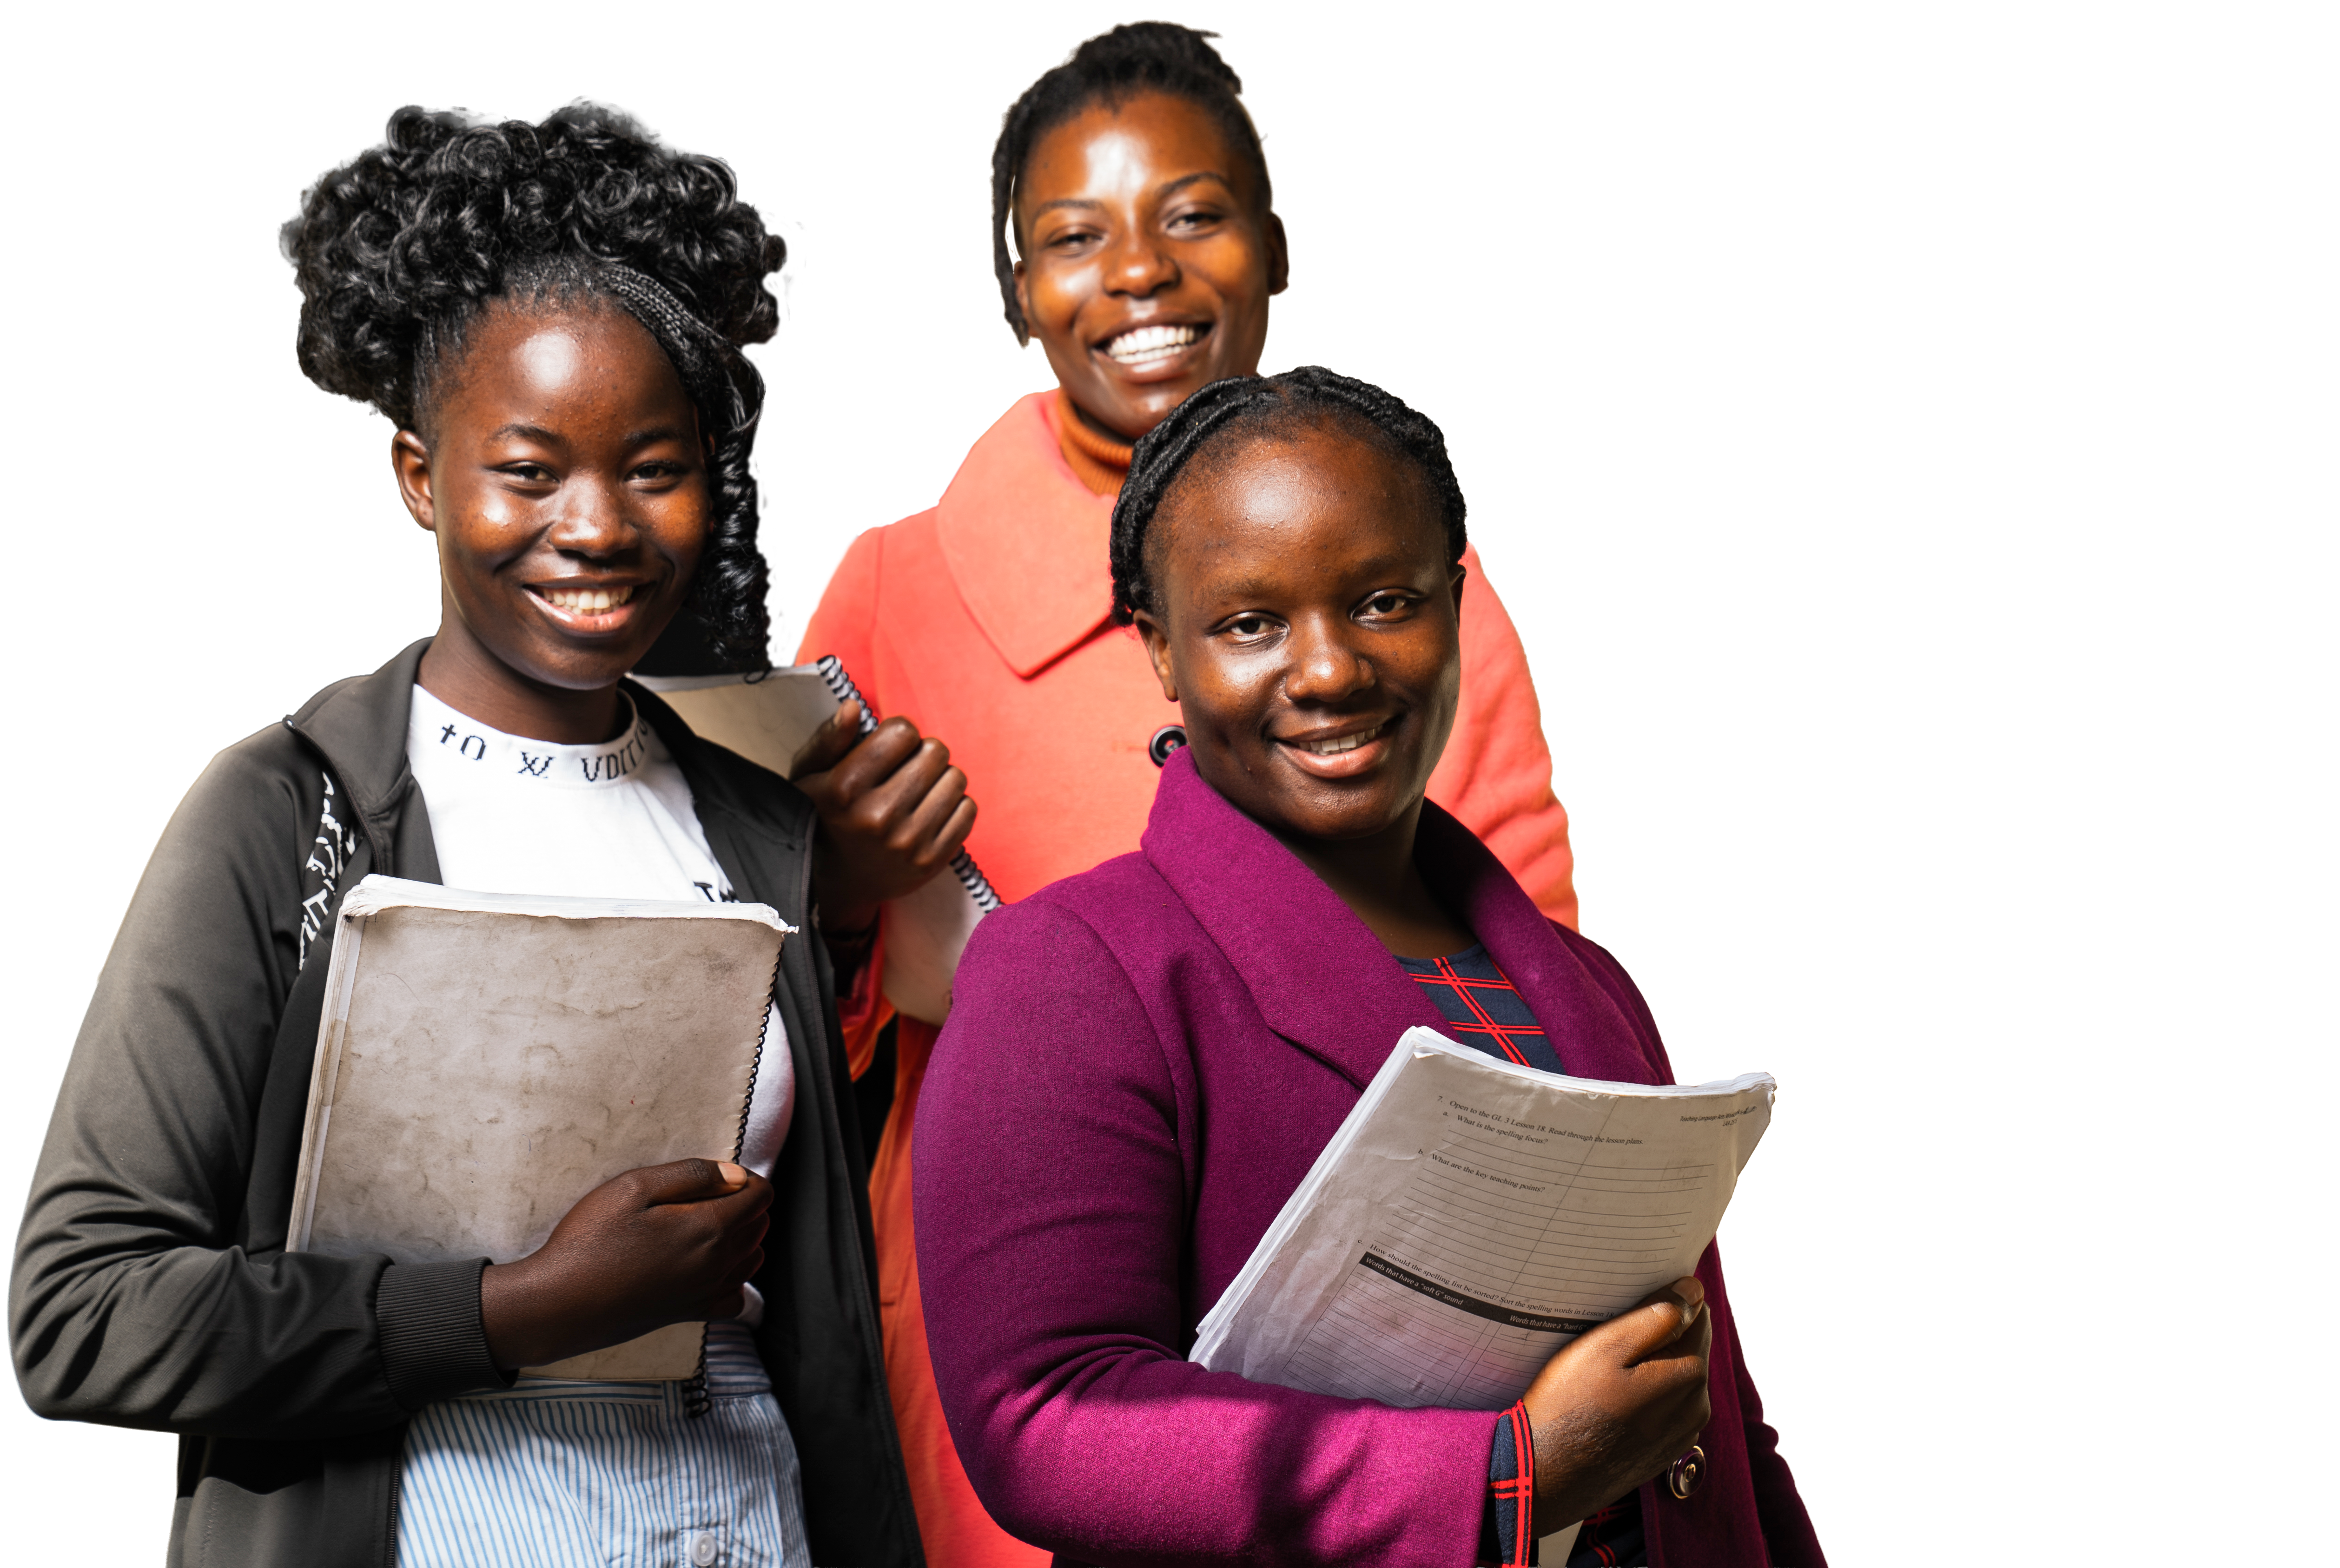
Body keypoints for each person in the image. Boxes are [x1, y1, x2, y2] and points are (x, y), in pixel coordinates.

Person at [8, 104, 962, 1568]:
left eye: (655, 466)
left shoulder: (758, 826)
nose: (598, 525)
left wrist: (844, 916)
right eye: (527, 470)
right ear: (416, 477)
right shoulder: (284, 814)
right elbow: (83, 1310)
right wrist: (518, 1306)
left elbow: (827, 1303)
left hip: (746, 1518)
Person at [788, 26, 1580, 1562]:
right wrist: (829, 904)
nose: (1138, 271)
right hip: (1030, 1306)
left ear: (1274, 242)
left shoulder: (1430, 589)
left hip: (1377, 1288)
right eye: (1073, 238)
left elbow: (1525, 948)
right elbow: (772, 1025)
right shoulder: (889, 591)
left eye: (1194, 213)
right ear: (1016, 287)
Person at [913, 368, 1825, 1568]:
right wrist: (1508, 1475)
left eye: (1386, 601)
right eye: (1249, 625)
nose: (1331, 669)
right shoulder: (1074, 972)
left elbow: (1723, 1420)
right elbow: (1045, 1418)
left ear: (1458, 606)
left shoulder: (1589, 985)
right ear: (1161, 653)